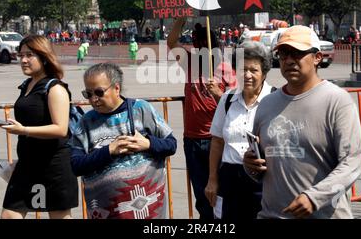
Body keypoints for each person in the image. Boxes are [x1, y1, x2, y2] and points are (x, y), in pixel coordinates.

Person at [243, 26, 361, 219]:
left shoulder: (337, 101)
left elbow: (352, 162)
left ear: (317, 57)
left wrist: (314, 198)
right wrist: (250, 165)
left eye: (297, 53)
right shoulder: (267, 104)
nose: (289, 60)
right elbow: (262, 163)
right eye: (283, 54)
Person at [69, 63, 177, 219]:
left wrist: (148, 143)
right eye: (88, 94)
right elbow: (76, 165)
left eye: (99, 92)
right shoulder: (85, 123)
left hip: (149, 211)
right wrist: (109, 151)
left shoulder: (141, 109)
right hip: (106, 212)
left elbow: (171, 145)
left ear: (116, 88)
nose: (93, 99)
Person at [0, 35, 78, 219]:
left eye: (30, 55)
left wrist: (23, 130)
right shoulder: (27, 85)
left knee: (59, 216)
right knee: (9, 215)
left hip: (54, 166)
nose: (24, 60)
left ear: (44, 56)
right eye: (21, 55)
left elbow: (60, 129)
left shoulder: (55, 88)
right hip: (28, 164)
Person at [167, 18, 236, 220]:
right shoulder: (190, 63)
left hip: (217, 140)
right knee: (201, 194)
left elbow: (236, 105)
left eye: (206, 45)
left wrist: (217, 94)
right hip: (192, 139)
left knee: (220, 193)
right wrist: (180, 22)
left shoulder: (224, 69)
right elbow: (171, 43)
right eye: (198, 46)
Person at [204, 41, 273, 220]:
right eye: (243, 69)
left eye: (254, 70)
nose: (248, 75)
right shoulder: (227, 99)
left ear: (264, 72)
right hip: (230, 179)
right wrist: (213, 179)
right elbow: (217, 141)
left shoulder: (275, 99)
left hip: (265, 180)